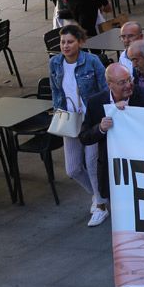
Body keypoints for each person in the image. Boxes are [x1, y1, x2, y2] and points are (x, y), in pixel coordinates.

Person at [79, 64, 144, 287]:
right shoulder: (95, 102)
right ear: (109, 85)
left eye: (129, 80)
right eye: (122, 83)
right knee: (125, 229)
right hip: (116, 176)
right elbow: (85, 137)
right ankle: (132, 275)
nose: (128, 85)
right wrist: (100, 128)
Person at [49, 25, 110, 226]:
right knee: (73, 169)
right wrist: (60, 113)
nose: (65, 46)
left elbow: (104, 89)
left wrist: (103, 116)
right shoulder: (55, 63)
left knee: (92, 164)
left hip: (90, 121)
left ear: (80, 42)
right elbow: (56, 92)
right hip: (69, 120)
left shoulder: (92, 62)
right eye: (63, 42)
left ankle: (101, 206)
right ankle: (99, 195)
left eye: (70, 41)